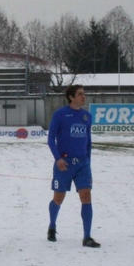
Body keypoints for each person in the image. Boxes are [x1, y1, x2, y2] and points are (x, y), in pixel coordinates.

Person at [47, 84, 100, 248]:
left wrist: (88, 163)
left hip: (82, 163)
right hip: (65, 163)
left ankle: (87, 237)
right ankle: (52, 225)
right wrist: (58, 159)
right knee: (59, 198)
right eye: (80, 94)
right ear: (71, 97)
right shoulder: (60, 114)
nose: (84, 97)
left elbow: (88, 141)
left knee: (86, 196)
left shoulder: (86, 116)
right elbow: (50, 139)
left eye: (84, 94)